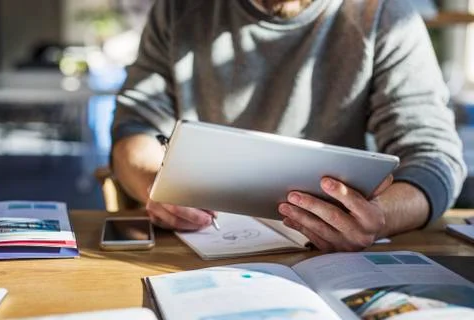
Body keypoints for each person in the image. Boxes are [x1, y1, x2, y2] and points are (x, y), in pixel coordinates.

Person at [111, 0, 467, 252]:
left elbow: (434, 159)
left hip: (330, 255)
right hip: (197, 247)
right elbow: (135, 128)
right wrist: (152, 183)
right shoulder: (178, 9)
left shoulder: (385, 14)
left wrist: (379, 218)